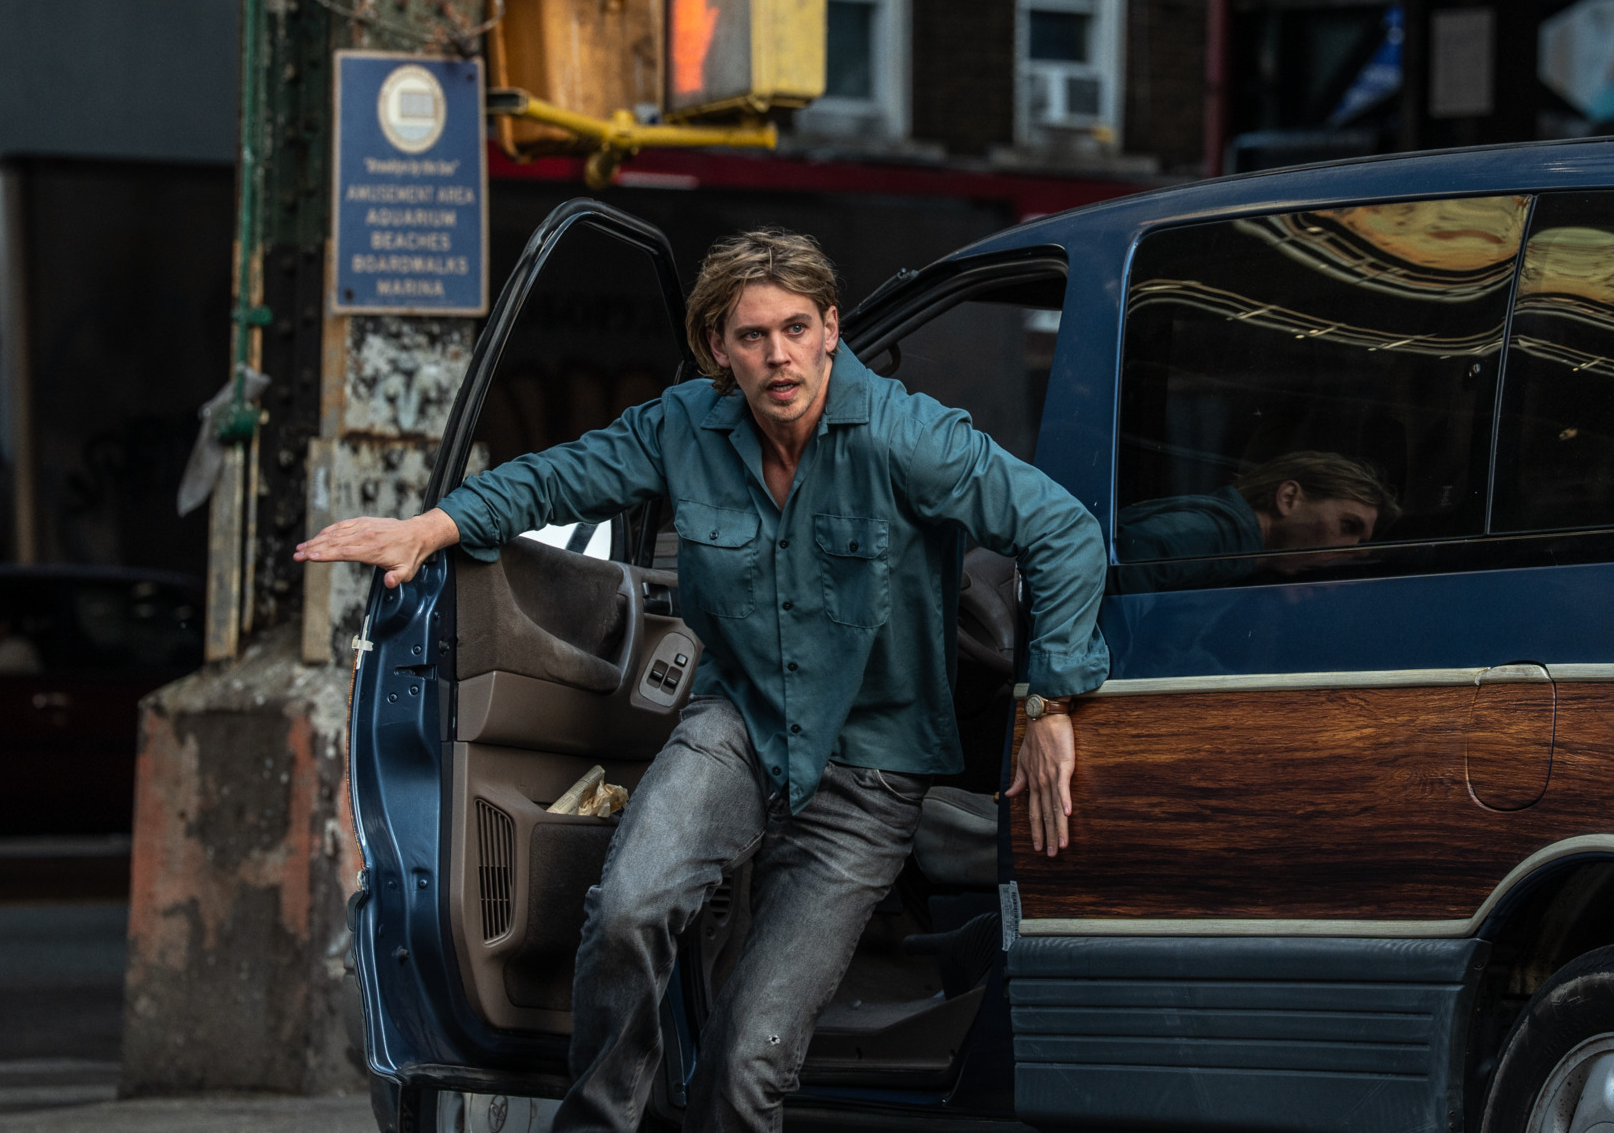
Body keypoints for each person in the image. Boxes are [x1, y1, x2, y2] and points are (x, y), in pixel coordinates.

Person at [294, 229, 1110, 1132]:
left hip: (869, 774)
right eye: (752, 336)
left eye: (796, 329)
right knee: (625, 909)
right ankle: (605, 1118)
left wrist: (1049, 701)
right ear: (719, 347)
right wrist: (432, 527)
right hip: (739, 728)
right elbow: (563, 476)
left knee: (746, 1061)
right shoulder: (686, 426)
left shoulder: (906, 436)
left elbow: (1064, 531)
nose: (779, 355)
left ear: (831, 329)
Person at [1116, 450, 1400, 591]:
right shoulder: (1221, 536)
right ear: (1288, 498)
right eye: (1348, 526)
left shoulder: (1242, 553)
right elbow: (1128, 555)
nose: (1357, 551)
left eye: (1362, 541)